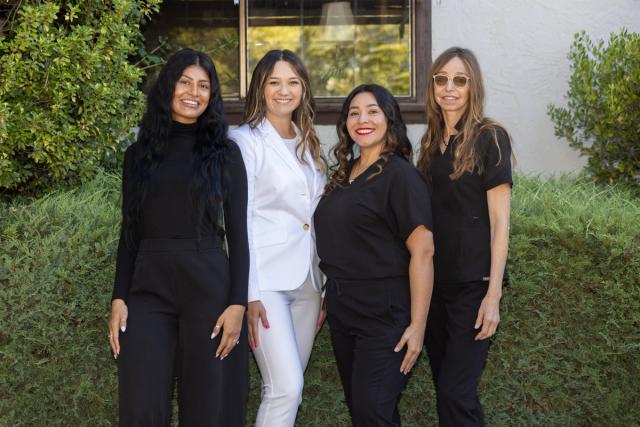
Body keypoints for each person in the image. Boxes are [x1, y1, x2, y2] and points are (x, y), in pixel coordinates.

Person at [107, 48, 249, 426]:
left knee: (207, 407)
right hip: (149, 287)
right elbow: (130, 230)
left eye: (204, 86)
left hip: (208, 286)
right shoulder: (137, 155)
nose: (194, 92)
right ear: (168, 86)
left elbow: (238, 233)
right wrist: (119, 295)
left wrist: (238, 304)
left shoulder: (226, 155)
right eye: (185, 82)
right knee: (141, 404)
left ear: (212, 96)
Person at [314, 84, 434, 426]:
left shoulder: (401, 176)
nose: (362, 119)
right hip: (343, 309)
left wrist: (418, 327)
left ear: (389, 119)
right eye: (354, 113)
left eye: (372, 111)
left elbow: (423, 252)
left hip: (385, 314)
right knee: (366, 412)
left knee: (372, 411)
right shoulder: (342, 175)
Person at [229, 49, 326, 427]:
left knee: (290, 389)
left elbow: (314, 218)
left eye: (292, 82)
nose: (283, 91)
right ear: (260, 88)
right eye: (274, 82)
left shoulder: (309, 142)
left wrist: (326, 284)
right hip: (266, 284)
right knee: (284, 387)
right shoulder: (244, 141)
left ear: (303, 88)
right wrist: (248, 293)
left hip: (309, 283)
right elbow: (241, 221)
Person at [417, 46, 513, 426]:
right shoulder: (429, 144)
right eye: (441, 79)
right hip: (435, 288)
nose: (449, 88)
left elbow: (500, 223)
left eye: (460, 80)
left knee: (456, 395)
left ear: (474, 86)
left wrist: (493, 295)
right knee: (451, 393)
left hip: (474, 288)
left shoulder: (491, 138)